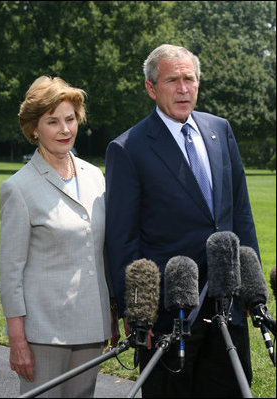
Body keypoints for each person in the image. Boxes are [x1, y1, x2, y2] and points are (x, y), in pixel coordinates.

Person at [105, 44, 261, 397]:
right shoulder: (129, 148)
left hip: (227, 301)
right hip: (167, 312)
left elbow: (241, 214)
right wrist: (135, 308)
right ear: (151, 88)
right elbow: (122, 238)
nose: (183, 88)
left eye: (189, 79)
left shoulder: (220, 129)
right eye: (172, 80)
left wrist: (251, 289)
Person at [0, 75, 120, 398]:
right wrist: (17, 340)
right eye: (53, 121)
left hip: (92, 329)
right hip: (43, 335)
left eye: (70, 119)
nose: (65, 129)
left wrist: (111, 311)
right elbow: (10, 274)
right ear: (34, 128)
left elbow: (103, 250)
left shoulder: (96, 177)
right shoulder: (18, 189)